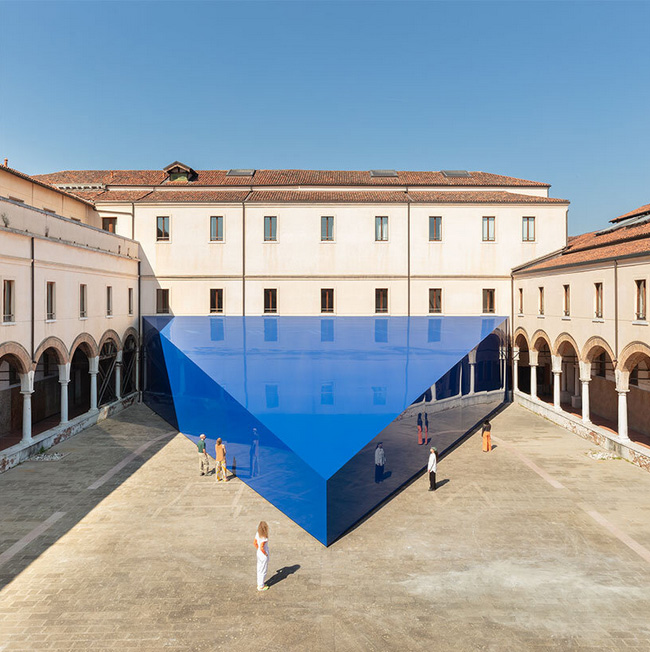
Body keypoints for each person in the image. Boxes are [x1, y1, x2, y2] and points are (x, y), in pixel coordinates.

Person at [254, 521, 270, 591]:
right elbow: (262, 547)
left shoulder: (257, 534)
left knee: (259, 568)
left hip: (258, 553)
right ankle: (261, 586)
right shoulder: (264, 537)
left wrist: (259, 550)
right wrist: (265, 553)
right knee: (263, 570)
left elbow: (255, 543)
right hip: (263, 554)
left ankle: (260, 583)